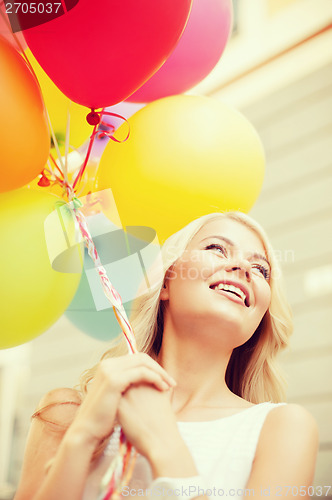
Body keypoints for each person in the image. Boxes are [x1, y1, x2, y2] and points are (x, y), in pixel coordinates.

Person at [14, 212, 319, 500]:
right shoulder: (64, 414)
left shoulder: (283, 429)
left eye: (261, 269)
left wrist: (165, 445)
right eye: (217, 248)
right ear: (166, 283)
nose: (243, 268)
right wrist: (82, 437)